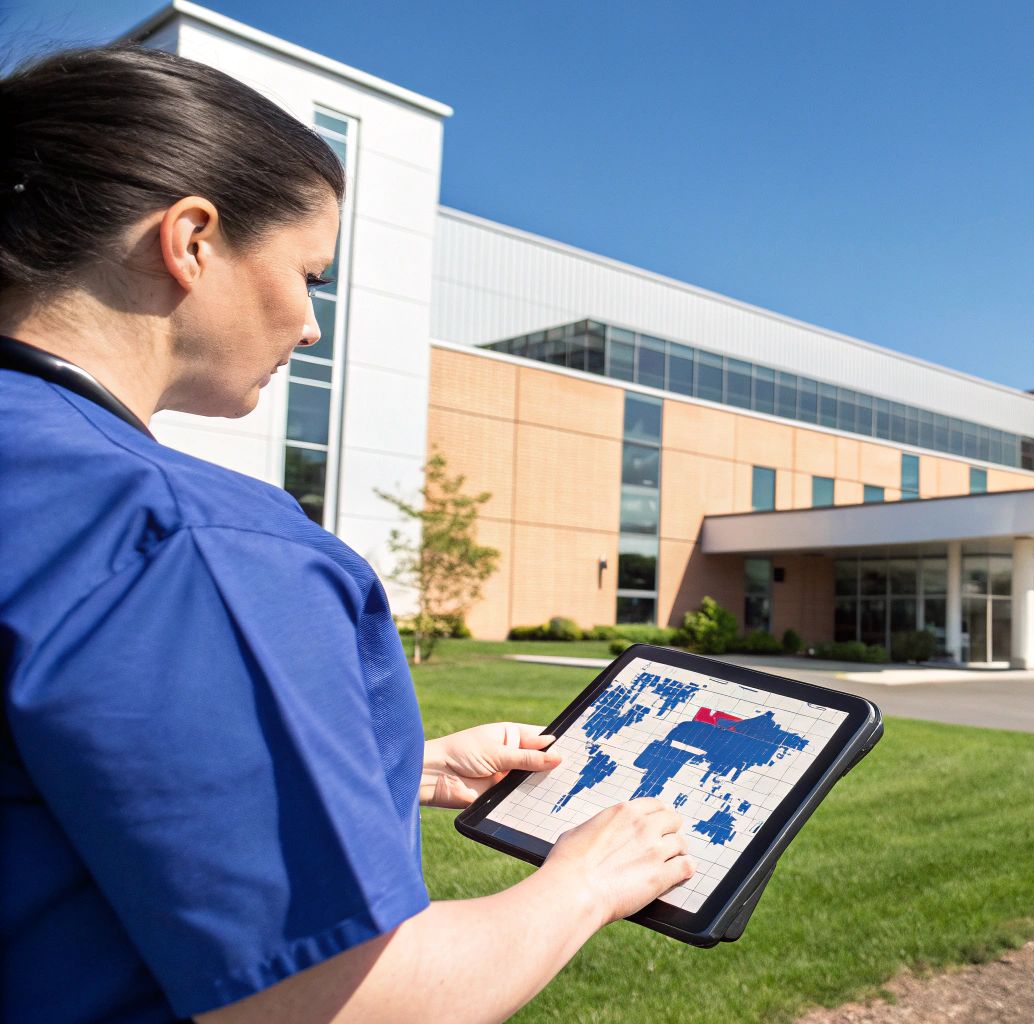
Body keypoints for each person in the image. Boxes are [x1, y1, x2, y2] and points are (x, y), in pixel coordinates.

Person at [0, 45, 693, 1023]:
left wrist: (391, 768)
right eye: (309, 275)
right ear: (191, 239)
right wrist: (584, 880)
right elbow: (339, 1000)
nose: (312, 325)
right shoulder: (195, 539)